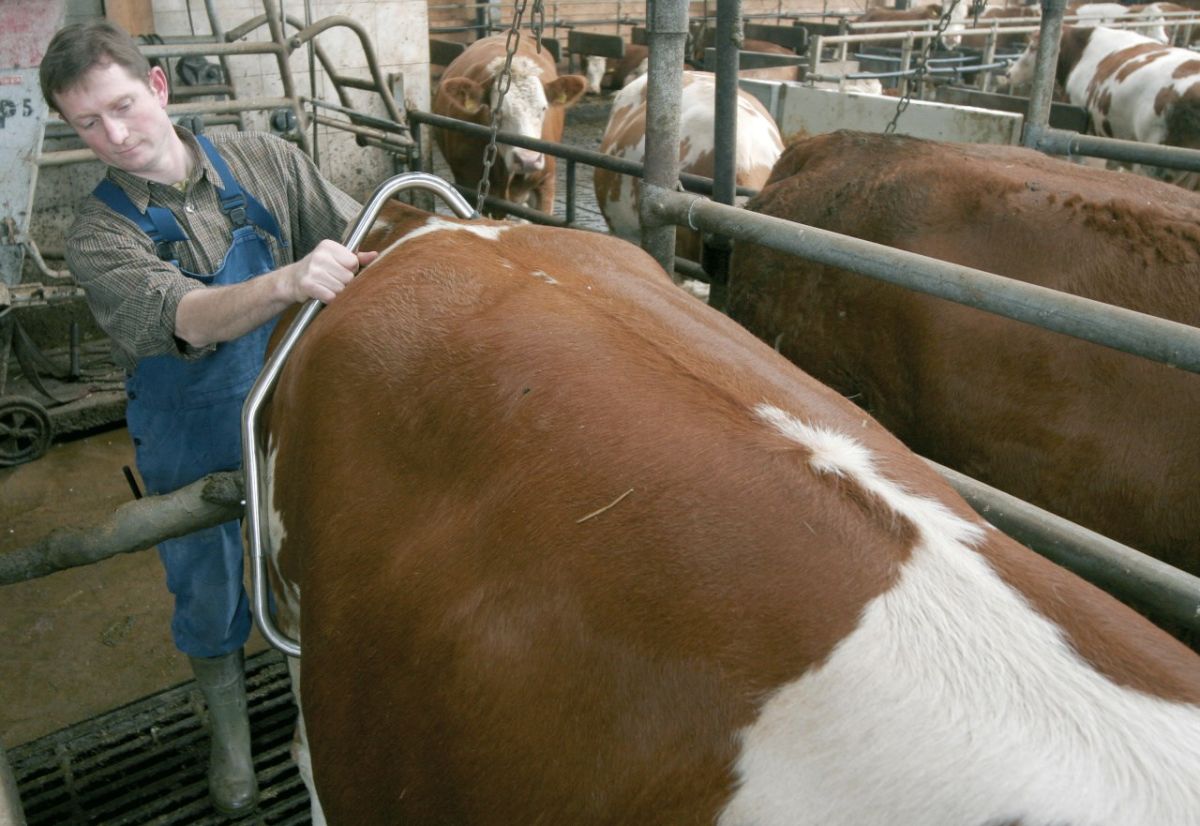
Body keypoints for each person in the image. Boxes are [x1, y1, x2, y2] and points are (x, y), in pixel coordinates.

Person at [39, 20, 377, 818]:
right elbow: (186, 316)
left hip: (300, 412)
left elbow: (366, 235)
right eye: (89, 123)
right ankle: (231, 739)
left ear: (158, 87)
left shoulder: (267, 159)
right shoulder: (96, 233)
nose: (114, 135)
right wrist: (290, 280)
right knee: (209, 587)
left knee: (317, 569)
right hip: (192, 434)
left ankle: (313, 714)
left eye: (123, 105)